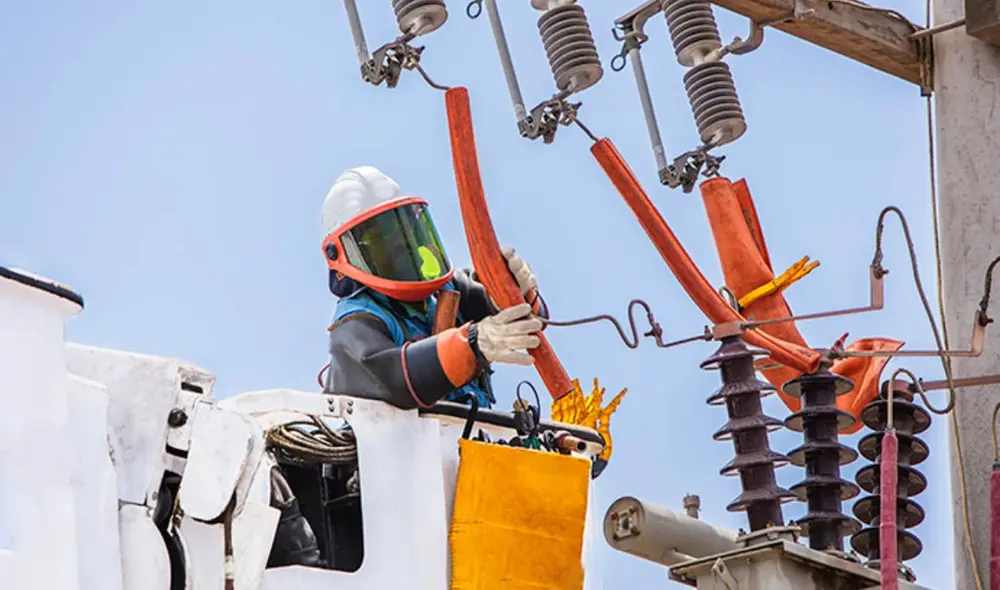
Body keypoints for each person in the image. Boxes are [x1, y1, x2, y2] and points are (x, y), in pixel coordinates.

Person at [320, 165, 549, 409]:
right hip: (393, 434)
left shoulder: (447, 291)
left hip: (465, 431)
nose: (398, 244)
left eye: (399, 228)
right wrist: (471, 344)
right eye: (378, 237)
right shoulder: (356, 321)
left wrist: (514, 290)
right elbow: (391, 378)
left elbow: (532, 320)